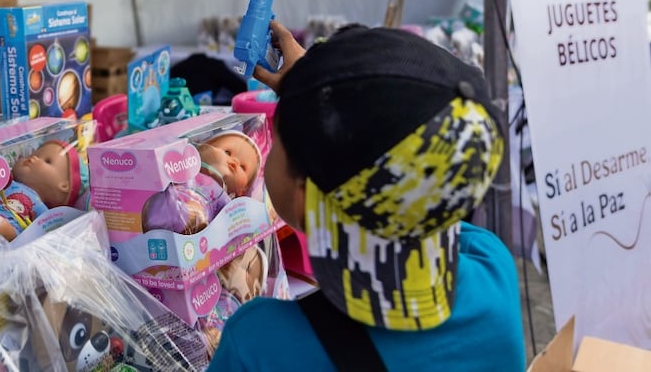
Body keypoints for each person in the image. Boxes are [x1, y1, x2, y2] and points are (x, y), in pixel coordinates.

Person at [208, 21, 525, 371]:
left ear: (303, 196)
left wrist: (315, 94)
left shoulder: (256, 345)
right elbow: (416, 179)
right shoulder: (493, 269)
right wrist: (317, 88)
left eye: (277, 138)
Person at [0, 139, 89, 239]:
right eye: (34, 154)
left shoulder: (42, 209)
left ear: (64, 185)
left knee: (1, 225)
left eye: (47, 160)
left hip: (9, 231)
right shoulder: (9, 184)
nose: (33, 158)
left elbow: (44, 232)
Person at [141, 129, 262, 234]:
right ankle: (165, 206)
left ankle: (179, 213)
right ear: (202, 149)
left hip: (195, 220)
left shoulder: (223, 197)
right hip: (166, 201)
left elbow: (230, 221)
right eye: (227, 152)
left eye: (243, 167)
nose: (234, 161)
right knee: (163, 193)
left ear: (242, 190)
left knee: (197, 213)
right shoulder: (188, 171)